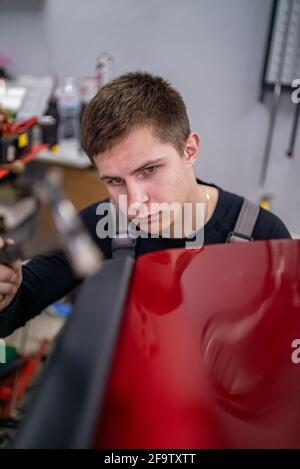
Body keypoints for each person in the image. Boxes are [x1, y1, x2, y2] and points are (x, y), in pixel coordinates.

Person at [0, 72, 291, 337]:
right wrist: (6, 295)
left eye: (149, 170)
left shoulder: (262, 237)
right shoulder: (101, 227)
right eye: (115, 181)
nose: (136, 201)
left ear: (189, 150)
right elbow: (17, 308)